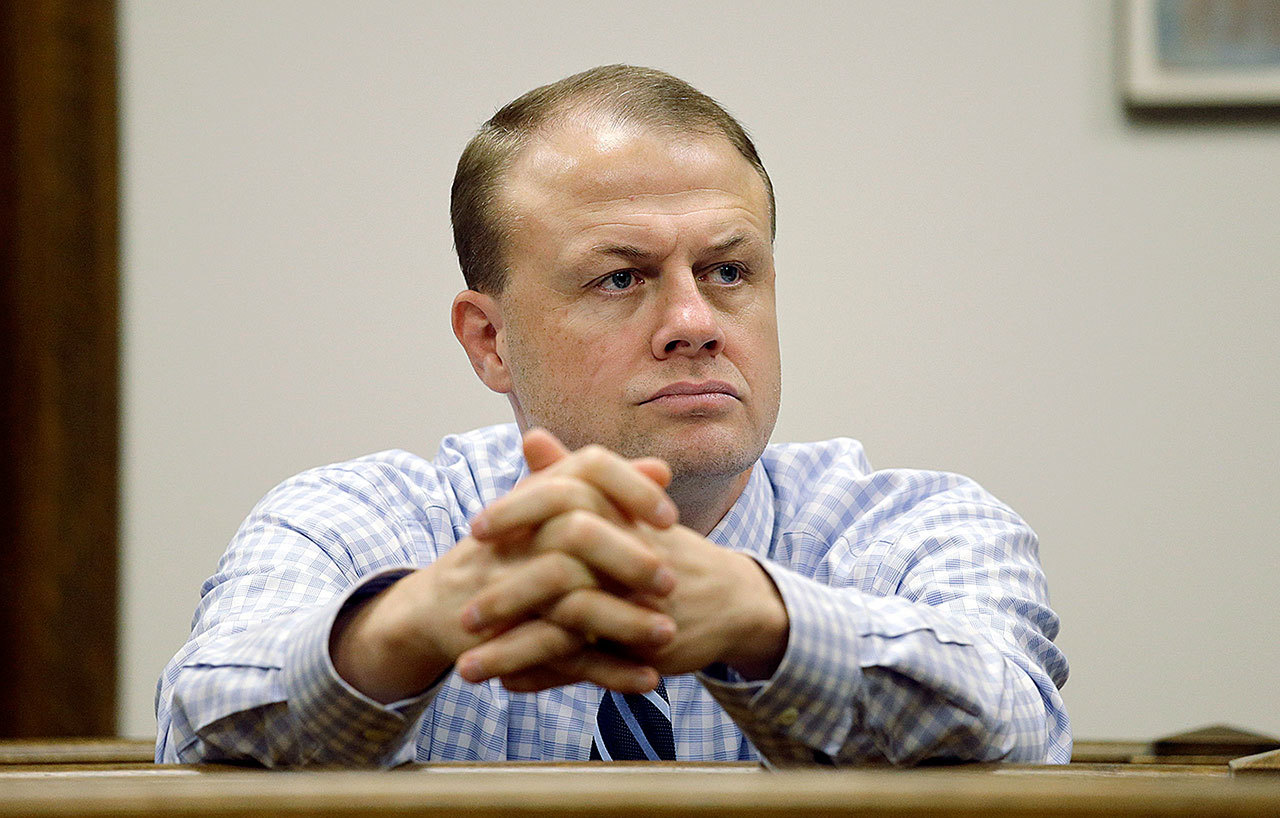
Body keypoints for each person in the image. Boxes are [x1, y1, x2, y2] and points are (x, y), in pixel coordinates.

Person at [155, 64, 1070, 768]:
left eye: (728, 272)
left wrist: (766, 621)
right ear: (490, 341)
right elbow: (197, 731)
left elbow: (1022, 729)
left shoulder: (919, 530)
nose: (693, 323)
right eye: (620, 278)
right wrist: (412, 628)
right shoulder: (356, 523)